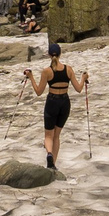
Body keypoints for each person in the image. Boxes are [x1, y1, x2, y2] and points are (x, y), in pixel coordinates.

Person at [28, 40, 86, 168]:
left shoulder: (47, 71)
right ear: (60, 54)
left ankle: (49, 154)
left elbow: (38, 92)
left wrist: (31, 77)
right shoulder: (68, 69)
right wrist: (83, 78)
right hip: (65, 102)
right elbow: (78, 89)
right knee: (57, 135)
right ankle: (53, 164)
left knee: (48, 135)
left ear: (49, 55)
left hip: (52, 102)